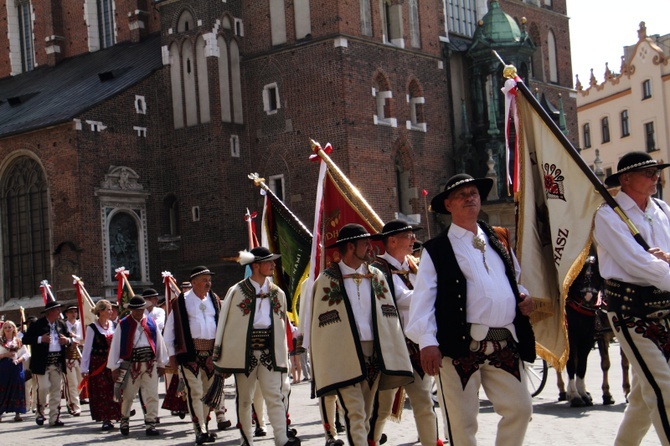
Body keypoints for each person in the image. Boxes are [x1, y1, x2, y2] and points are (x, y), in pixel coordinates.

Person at [405, 173, 536, 446]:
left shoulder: (498, 238)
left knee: (521, 410)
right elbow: (423, 301)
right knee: (462, 427)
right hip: (459, 347)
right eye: (461, 195)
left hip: (504, 343)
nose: (470, 198)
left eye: (473, 193)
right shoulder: (436, 249)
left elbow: (515, 280)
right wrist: (427, 342)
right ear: (449, 205)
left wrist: (523, 296)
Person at [310, 223, 413, 446]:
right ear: (350, 246)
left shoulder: (376, 276)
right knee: (354, 413)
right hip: (344, 354)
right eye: (365, 243)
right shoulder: (327, 280)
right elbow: (319, 326)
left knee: (366, 414)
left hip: (375, 354)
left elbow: (389, 316)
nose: (370, 247)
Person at [593, 151, 670, 445]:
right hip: (631, 310)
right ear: (626, 179)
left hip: (665, 307)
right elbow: (636, 262)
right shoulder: (608, 215)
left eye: (656, 171)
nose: (655, 176)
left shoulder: (662, 207)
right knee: (664, 389)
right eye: (648, 172)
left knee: (641, 399)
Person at [210, 247, 301, 446]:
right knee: (244, 399)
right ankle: (246, 440)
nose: (273, 264)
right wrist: (221, 355)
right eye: (268, 261)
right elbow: (226, 324)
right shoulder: (237, 292)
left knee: (275, 396)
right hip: (245, 354)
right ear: (255, 266)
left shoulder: (278, 294)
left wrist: (284, 357)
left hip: (270, 353)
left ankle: (282, 439)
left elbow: (280, 327)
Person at [369, 219, 442, 446]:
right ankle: (371, 440)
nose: (413, 240)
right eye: (408, 235)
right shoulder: (377, 269)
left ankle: (431, 442)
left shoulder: (414, 265)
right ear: (392, 241)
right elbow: (398, 299)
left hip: (416, 346)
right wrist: (432, 292)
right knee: (383, 405)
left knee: (424, 401)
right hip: (392, 347)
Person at [164, 266, 221, 445]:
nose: (208, 283)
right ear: (194, 281)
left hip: (211, 354)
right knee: (194, 391)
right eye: (204, 280)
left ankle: (205, 426)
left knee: (208, 393)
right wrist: (172, 356)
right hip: (189, 353)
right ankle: (199, 429)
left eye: (209, 280)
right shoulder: (181, 301)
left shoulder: (215, 299)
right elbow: (170, 330)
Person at [108, 295, 167, 437]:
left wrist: (161, 362)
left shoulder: (151, 323)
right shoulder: (123, 324)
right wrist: (114, 367)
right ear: (131, 310)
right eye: (136, 309)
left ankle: (151, 423)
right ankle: (124, 420)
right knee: (128, 395)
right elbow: (115, 345)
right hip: (131, 365)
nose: (139, 312)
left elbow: (159, 343)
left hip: (150, 364)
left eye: (141, 309)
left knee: (152, 395)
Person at [23, 300, 75, 427]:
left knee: (56, 390)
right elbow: (25, 339)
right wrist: (41, 339)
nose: (59, 312)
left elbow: (69, 338)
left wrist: (67, 341)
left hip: (57, 362)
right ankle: (40, 413)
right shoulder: (37, 324)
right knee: (44, 387)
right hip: (42, 362)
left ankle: (54, 417)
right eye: (57, 310)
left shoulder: (61, 324)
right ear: (50, 312)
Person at [564, 253, 603, 407]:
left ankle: (581, 385)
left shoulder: (595, 264)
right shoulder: (577, 259)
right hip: (573, 309)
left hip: (590, 310)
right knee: (571, 350)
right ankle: (571, 387)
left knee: (584, 351)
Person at [81, 299, 122, 431]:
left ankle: (118, 414)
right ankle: (106, 418)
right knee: (103, 391)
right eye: (108, 309)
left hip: (113, 363)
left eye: (111, 309)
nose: (111, 312)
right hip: (99, 364)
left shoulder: (114, 325)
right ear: (100, 311)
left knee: (116, 388)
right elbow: (87, 349)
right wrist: (84, 368)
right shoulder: (92, 328)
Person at [0, 320, 30, 422]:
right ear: (3, 330)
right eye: (6, 327)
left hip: (16, 367)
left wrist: (19, 360)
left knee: (17, 389)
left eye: (10, 327)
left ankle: (18, 413)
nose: (8, 329)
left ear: (13, 329)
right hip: (3, 368)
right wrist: (5, 355)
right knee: (3, 389)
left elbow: (26, 354)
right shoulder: (0, 341)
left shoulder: (18, 341)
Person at [62, 305, 83, 417]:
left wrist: (75, 337)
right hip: (68, 356)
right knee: (72, 382)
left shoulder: (80, 324)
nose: (73, 314)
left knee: (81, 380)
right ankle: (75, 405)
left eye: (75, 311)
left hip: (80, 354)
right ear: (66, 314)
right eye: (71, 312)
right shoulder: (63, 325)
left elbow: (83, 337)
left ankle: (71, 399)